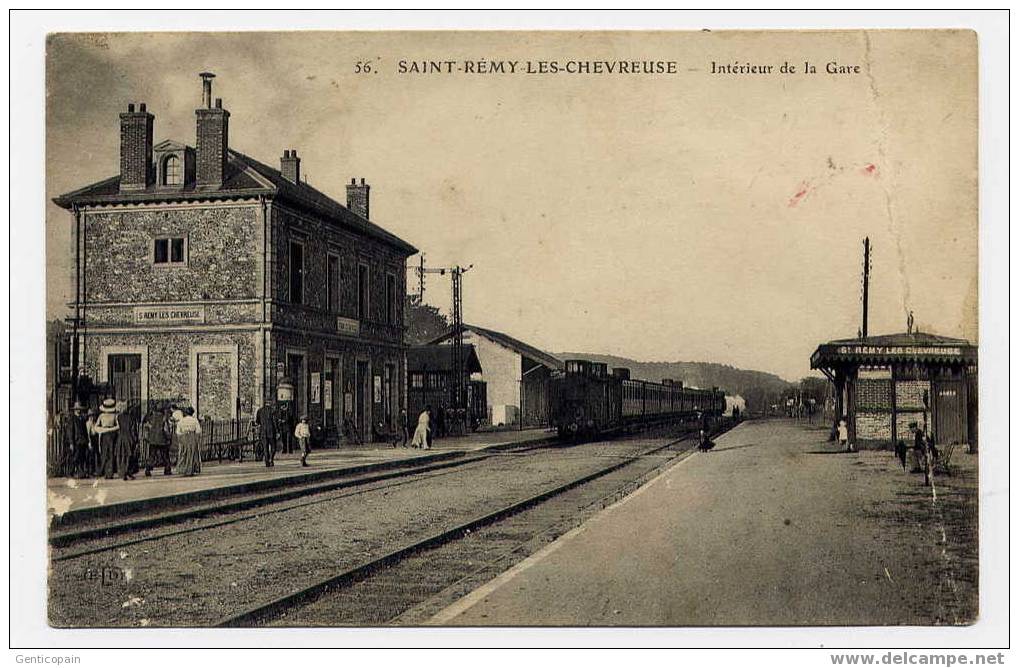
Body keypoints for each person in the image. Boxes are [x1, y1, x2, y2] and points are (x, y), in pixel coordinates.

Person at [93, 398, 120, 479]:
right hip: (108, 435)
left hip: (109, 435)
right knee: (106, 453)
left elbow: (118, 426)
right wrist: (107, 429)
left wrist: (105, 429)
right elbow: (96, 427)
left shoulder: (114, 416)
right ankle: (106, 472)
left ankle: (108, 472)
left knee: (109, 454)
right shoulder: (102, 416)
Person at [144, 406, 173, 476]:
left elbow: (147, 426)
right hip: (162, 439)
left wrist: (148, 436)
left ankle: (148, 469)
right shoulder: (164, 418)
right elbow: (166, 429)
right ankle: (167, 469)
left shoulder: (151, 418)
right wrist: (169, 437)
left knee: (152, 455)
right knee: (165, 455)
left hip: (153, 439)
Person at [175, 407, 203, 476]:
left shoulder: (181, 421)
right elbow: (198, 430)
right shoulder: (194, 420)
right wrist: (197, 438)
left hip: (183, 437)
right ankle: (191, 470)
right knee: (192, 453)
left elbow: (178, 432)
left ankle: (183, 469)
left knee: (184, 453)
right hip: (192, 436)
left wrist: (180, 439)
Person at [115, 401, 139, 481]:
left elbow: (117, 428)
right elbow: (133, 429)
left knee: (122, 455)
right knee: (129, 455)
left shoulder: (118, 417)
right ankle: (128, 471)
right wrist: (136, 439)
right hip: (129, 438)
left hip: (121, 437)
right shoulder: (131, 417)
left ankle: (123, 472)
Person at [68, 402, 92, 479]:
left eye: (79, 409)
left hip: (83, 441)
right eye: (77, 409)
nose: (79, 410)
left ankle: (81, 472)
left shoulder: (82, 419)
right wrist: (71, 442)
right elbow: (70, 431)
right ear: (75, 410)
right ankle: (71, 472)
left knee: (82, 457)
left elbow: (85, 431)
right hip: (76, 441)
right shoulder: (72, 419)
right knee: (75, 457)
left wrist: (88, 441)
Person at [256, 401, 277, 468]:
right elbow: (275, 422)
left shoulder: (260, 411)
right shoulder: (272, 411)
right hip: (271, 432)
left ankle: (267, 461)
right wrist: (278, 431)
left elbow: (257, 421)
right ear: (270, 403)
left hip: (263, 432)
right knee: (273, 447)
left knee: (265, 447)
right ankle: (271, 459)